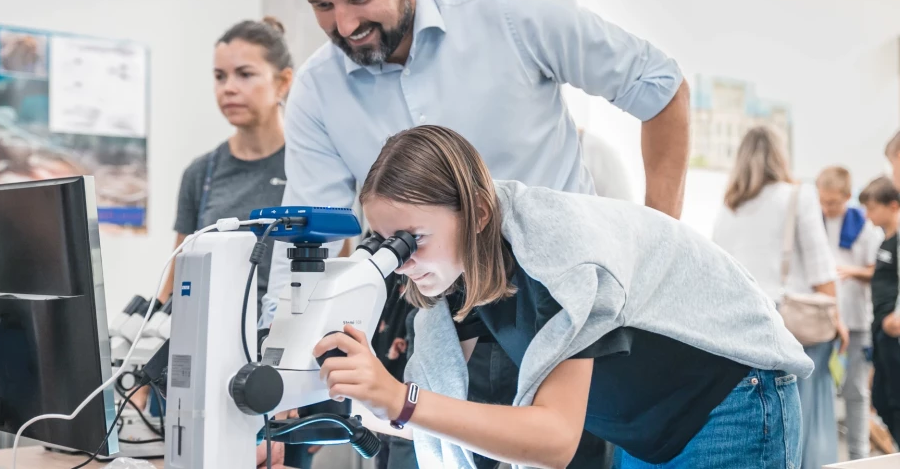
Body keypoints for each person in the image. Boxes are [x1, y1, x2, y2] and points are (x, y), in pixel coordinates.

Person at [269, 0, 690, 465]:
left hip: (555, 301)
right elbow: (310, 243)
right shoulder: (318, 92)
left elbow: (660, 87)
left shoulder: (512, 11)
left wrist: (651, 260)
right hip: (430, 305)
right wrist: (285, 374)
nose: (344, 24)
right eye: (322, 7)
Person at [309, 125, 808, 468]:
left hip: (730, 398)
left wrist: (399, 398)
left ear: (478, 213)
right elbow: (444, 410)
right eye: (385, 242)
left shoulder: (557, 256)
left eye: (411, 240)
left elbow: (553, 440)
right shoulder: (461, 268)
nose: (402, 262)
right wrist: (367, 402)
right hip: (648, 423)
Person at [157, 17, 294, 469]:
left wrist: (294, 391)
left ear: (283, 82)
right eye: (219, 76)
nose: (228, 88)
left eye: (245, 74)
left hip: (280, 373)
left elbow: (332, 280)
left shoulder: (313, 170)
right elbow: (176, 277)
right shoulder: (203, 173)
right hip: (207, 370)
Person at [711, 126, 844, 469]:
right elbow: (820, 267)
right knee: (810, 425)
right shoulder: (798, 195)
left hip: (743, 330)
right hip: (796, 329)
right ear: (780, 156)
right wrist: (837, 320)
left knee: (768, 427)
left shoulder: (728, 207)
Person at [816, 166, 881, 460]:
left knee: (855, 391)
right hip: (821, 321)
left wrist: (851, 272)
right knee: (820, 391)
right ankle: (825, 456)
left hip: (855, 320)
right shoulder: (813, 220)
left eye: (832, 202)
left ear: (846, 197)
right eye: (822, 201)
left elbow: (877, 270)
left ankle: (860, 456)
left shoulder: (864, 225)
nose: (826, 207)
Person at [859, 177, 900, 445]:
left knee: (895, 399)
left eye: (873, 208)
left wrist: (892, 320)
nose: (868, 215)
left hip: (892, 330)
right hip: (880, 331)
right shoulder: (885, 240)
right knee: (881, 399)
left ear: (893, 205)